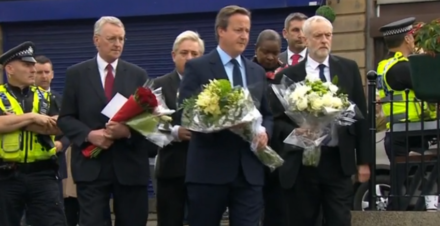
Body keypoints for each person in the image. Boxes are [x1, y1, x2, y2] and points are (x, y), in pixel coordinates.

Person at [176, 5, 273, 226]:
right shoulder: (198, 67)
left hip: (249, 172)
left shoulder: (255, 71)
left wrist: (265, 132)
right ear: (221, 30)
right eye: (239, 30)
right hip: (209, 171)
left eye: (247, 31)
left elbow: (267, 113)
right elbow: (184, 112)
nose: (244, 36)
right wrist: (219, 122)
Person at [272, 15, 370, 226]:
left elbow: (361, 116)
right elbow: (276, 122)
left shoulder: (348, 68)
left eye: (328, 35)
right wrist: (296, 132)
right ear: (306, 40)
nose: (324, 40)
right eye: (318, 36)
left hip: (337, 161)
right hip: (301, 165)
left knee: (340, 219)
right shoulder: (287, 76)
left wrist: (364, 161)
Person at [57, 16, 155, 226]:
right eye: (111, 38)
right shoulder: (76, 74)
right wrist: (89, 135)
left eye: (121, 39)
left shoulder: (138, 74)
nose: (117, 44)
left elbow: (150, 121)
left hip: (130, 167)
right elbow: (65, 118)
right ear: (96, 40)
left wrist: (127, 132)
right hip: (91, 167)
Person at [0, 41, 66, 226]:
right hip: (6, 175)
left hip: (43, 173)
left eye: (33, 65)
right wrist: (33, 117)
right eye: (27, 65)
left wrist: (13, 121)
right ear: (10, 69)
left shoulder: (47, 96)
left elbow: (58, 126)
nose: (33, 69)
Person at [153, 30, 205, 226]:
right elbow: (150, 126)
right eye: (184, 53)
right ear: (174, 56)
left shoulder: (212, 86)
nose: (189, 58)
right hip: (171, 168)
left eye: (194, 54)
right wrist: (174, 132)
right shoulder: (159, 85)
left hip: (203, 169)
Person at [377, 17, 437, 161]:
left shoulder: (385, 65)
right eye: (413, 37)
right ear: (407, 39)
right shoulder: (402, 68)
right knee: (415, 182)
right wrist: (420, 53)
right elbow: (433, 86)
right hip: (409, 135)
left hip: (402, 132)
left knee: (407, 182)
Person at [251, 29, 288, 226]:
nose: (270, 57)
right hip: (252, 149)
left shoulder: (285, 75)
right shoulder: (247, 72)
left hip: (279, 150)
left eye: (275, 52)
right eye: (266, 52)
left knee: (277, 208)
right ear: (256, 49)